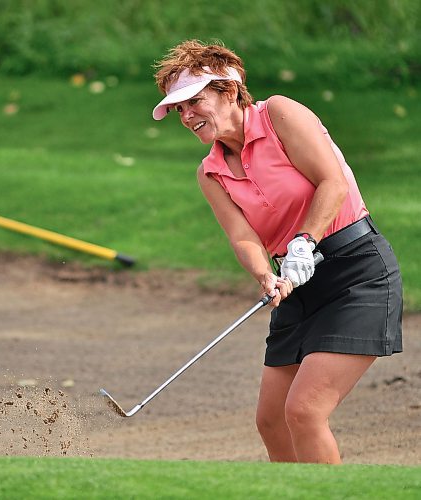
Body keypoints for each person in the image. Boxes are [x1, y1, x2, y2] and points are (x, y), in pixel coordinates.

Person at [152, 40, 403, 464]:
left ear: (228, 92)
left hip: (356, 273)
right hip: (295, 285)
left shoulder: (279, 114)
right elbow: (242, 236)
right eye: (179, 109)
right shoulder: (210, 172)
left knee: (304, 412)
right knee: (271, 421)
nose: (187, 116)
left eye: (194, 101)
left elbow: (332, 182)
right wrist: (264, 276)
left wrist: (304, 241)